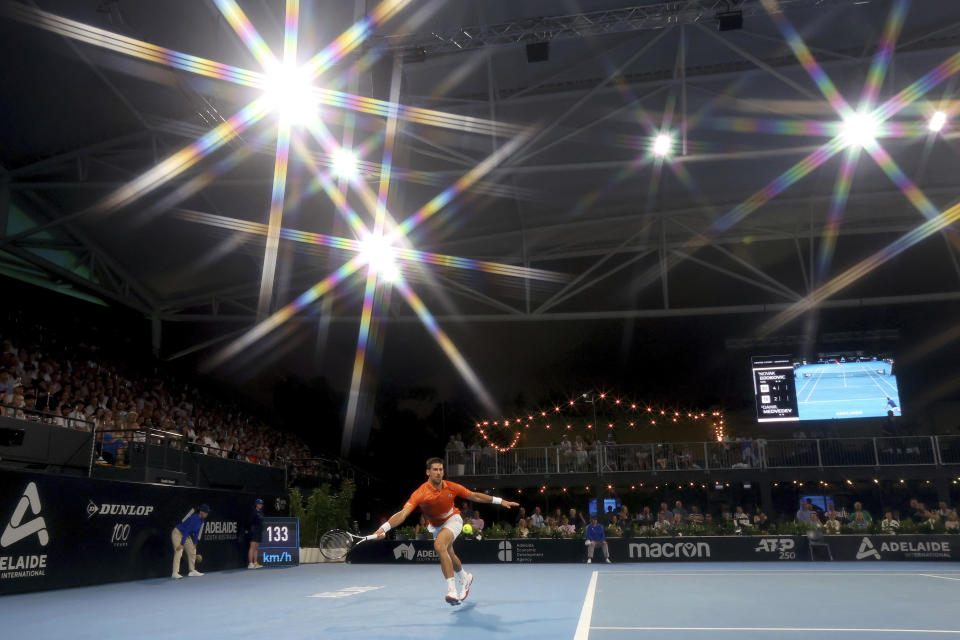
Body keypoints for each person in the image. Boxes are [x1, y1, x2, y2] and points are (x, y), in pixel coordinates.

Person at [373, 457, 518, 605]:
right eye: (435, 469)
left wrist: (499, 501)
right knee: (450, 554)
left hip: (453, 519)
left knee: (439, 546)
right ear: (428, 472)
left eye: (440, 469)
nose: (438, 472)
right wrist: (383, 528)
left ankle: (452, 591)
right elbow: (403, 514)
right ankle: (465, 577)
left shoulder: (451, 487)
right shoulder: (420, 493)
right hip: (436, 526)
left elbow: (474, 496)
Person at [172, 504, 209, 579]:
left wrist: (195, 543)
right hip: (177, 533)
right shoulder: (194, 518)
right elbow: (186, 531)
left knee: (193, 549)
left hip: (186, 535)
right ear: (201, 512)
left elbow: (197, 532)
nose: (207, 514)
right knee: (179, 550)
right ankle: (175, 573)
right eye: (206, 512)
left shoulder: (202, 520)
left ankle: (192, 571)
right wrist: (182, 544)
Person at [247, 498, 264, 569]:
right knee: (252, 547)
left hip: (259, 531)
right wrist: (251, 529)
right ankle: (250, 563)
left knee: (256, 548)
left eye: (261, 504)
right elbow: (250, 521)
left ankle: (255, 563)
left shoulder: (261, 512)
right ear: (256, 505)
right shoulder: (253, 512)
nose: (260, 505)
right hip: (254, 531)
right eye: (259, 504)